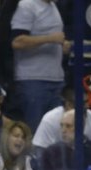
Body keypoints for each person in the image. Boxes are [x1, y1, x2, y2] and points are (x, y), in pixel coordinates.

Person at [10, 0, 67, 132]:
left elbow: (56, 38)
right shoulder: (27, 5)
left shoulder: (53, 6)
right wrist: (50, 39)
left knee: (56, 132)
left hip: (57, 80)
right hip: (33, 81)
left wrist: (62, 45)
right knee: (34, 133)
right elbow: (17, 41)